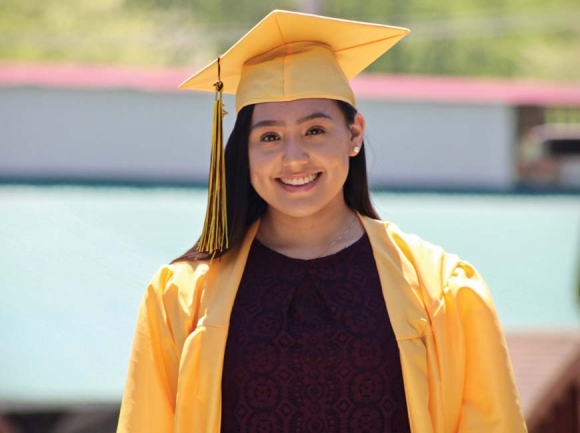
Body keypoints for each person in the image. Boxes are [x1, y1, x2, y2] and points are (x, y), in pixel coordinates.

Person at [117, 10, 527, 433]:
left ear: (354, 134)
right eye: (269, 137)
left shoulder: (442, 290)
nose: (294, 158)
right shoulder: (181, 298)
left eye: (315, 130)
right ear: (243, 152)